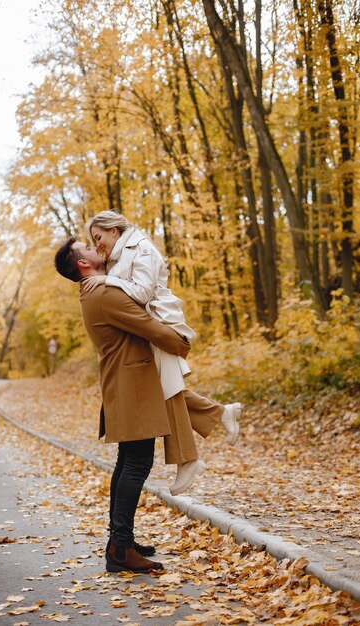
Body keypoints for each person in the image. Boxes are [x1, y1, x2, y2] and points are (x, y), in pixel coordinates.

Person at [54, 238, 239, 573]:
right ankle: (121, 549)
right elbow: (148, 325)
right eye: (88, 247)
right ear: (82, 263)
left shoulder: (95, 290)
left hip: (127, 385)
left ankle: (120, 542)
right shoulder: (102, 293)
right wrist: (180, 343)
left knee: (128, 463)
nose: (96, 249)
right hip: (132, 388)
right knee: (136, 464)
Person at [83, 211, 240, 489]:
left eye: (98, 238)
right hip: (153, 325)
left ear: (114, 231)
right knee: (165, 389)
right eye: (92, 242)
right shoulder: (121, 253)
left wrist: (108, 281)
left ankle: (189, 458)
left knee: (167, 389)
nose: (97, 246)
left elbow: (142, 293)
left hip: (163, 321)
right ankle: (217, 417)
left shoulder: (141, 247)